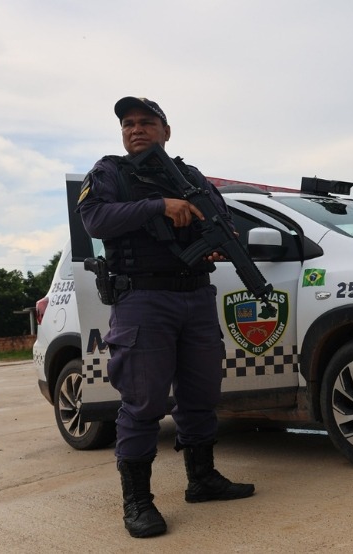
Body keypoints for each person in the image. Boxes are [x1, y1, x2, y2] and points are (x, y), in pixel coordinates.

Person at [77, 96, 254, 539]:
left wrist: (217, 240)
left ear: (166, 130)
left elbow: (221, 219)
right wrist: (159, 206)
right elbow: (95, 219)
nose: (136, 130)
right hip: (143, 298)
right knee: (143, 402)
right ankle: (137, 502)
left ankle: (202, 480)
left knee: (201, 393)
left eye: (146, 122)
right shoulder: (109, 172)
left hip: (195, 294)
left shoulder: (191, 176)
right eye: (128, 124)